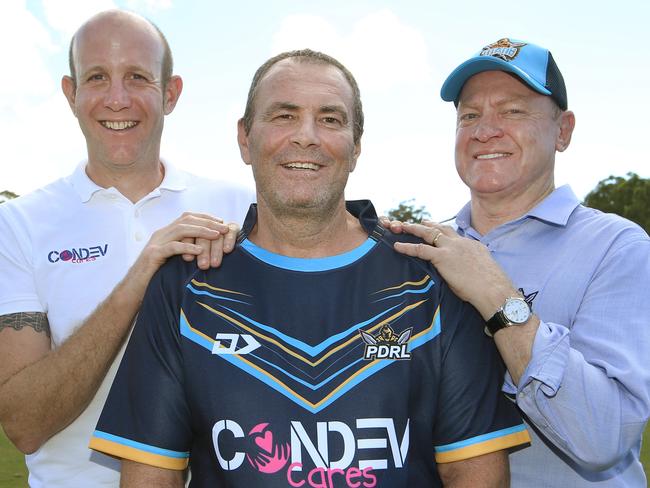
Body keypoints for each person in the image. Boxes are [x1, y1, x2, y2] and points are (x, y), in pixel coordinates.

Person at [89, 48, 530, 488]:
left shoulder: (430, 276)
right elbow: (152, 475)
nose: (306, 136)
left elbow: (473, 473)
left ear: (356, 147)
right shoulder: (186, 284)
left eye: (331, 119)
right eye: (284, 116)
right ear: (245, 139)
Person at [0, 10, 252, 487]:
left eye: (137, 77)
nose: (118, 99)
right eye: (97, 77)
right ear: (71, 95)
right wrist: (139, 279)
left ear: (171, 93)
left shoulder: (240, 207)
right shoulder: (17, 225)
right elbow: (25, 425)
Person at [389, 38, 650, 486]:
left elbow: (603, 441)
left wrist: (497, 295)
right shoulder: (419, 252)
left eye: (512, 111)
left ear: (563, 130)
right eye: (469, 115)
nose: (485, 130)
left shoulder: (618, 247)